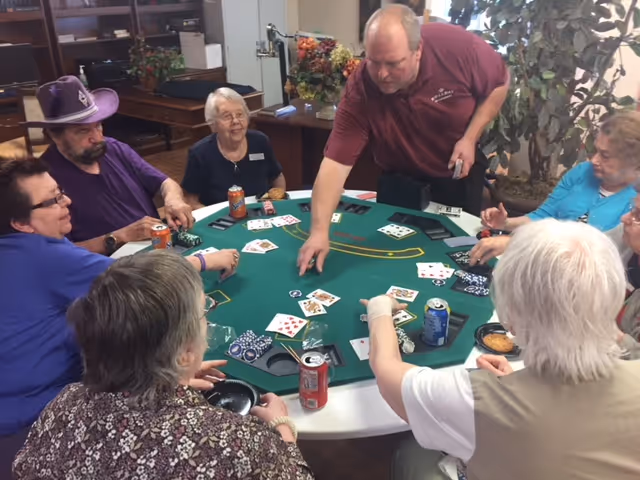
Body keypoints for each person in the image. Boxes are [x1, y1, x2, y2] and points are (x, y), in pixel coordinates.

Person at [0, 156, 240, 478]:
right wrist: (206, 259)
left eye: (61, 192)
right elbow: (136, 279)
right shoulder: (42, 254)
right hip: (32, 422)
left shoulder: (14, 248)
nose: (67, 201)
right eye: (53, 200)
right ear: (22, 223)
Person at [361, 219, 640, 480]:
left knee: (411, 455)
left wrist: (379, 309)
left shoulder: (477, 399)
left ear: (512, 316)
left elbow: (387, 373)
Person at [13, 251, 314, 480]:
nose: (206, 319)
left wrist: (167, 374)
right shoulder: (236, 441)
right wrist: (282, 429)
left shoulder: (62, 404)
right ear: (183, 352)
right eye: (203, 311)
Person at [297, 4, 509, 275]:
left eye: (394, 64)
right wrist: (318, 232)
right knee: (393, 264)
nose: (382, 74)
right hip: (400, 178)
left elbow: (499, 84)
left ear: (417, 51)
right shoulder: (362, 86)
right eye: (374, 61)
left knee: (457, 264)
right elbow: (334, 165)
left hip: (455, 172)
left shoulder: (457, 47)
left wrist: (470, 137)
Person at [25, 75, 194, 255]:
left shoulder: (115, 148)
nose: (97, 138)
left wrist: (173, 200)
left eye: (98, 126)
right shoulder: (42, 180)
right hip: (107, 270)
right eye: (83, 131)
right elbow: (56, 255)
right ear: (54, 135)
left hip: (157, 251)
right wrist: (118, 237)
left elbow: (165, 183)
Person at [470, 111, 640, 266]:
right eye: (596, 151)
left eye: (605, 155)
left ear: (634, 163)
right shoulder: (582, 171)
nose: (594, 160)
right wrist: (505, 223)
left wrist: (516, 244)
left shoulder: (635, 208)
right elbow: (545, 216)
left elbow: (594, 257)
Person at [182, 88, 286, 208]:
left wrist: (276, 204)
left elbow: (277, 177)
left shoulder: (260, 141)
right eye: (227, 116)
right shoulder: (200, 154)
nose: (236, 121)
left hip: (261, 214)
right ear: (213, 124)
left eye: (240, 114)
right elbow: (191, 200)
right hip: (222, 222)